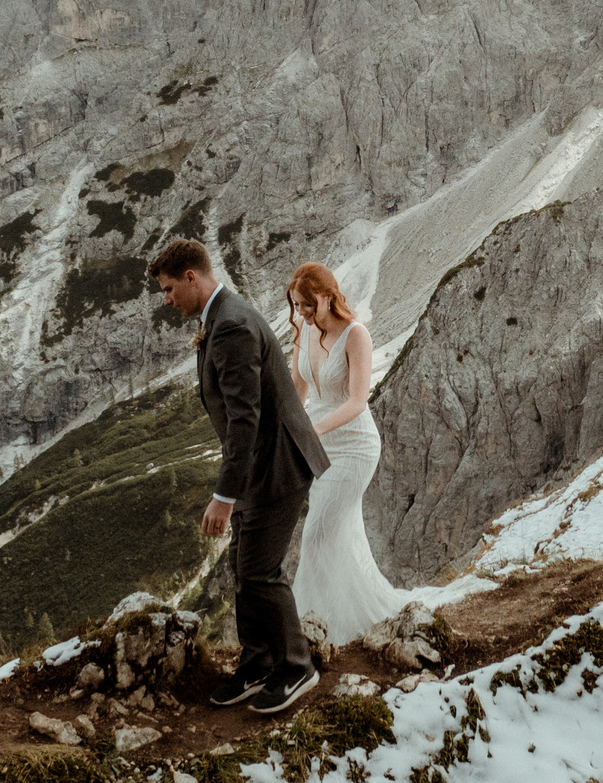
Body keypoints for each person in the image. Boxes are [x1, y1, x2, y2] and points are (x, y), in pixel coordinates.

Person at [150, 238, 329, 714]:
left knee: (260, 571)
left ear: (191, 277)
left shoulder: (229, 324)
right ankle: (257, 663)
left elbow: (245, 418)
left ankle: (296, 666)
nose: (166, 300)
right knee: (241, 563)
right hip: (261, 465)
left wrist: (223, 496)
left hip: (279, 465)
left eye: (168, 289)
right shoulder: (221, 315)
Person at [285, 263, 410, 645]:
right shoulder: (303, 327)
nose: (301, 312)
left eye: (308, 304)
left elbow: (357, 401)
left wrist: (312, 430)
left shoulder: (356, 335)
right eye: (296, 305)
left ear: (328, 296)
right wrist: (287, 426)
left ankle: (310, 629)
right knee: (339, 537)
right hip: (319, 449)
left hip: (355, 447)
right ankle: (345, 620)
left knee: (316, 534)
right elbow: (298, 387)